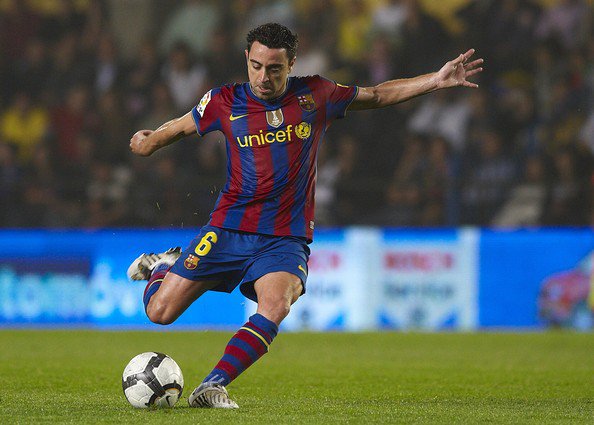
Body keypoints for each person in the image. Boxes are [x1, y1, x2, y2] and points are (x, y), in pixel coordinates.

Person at [127, 22, 483, 409]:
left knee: (276, 306)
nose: (264, 77)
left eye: (275, 69)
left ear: (292, 64)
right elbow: (180, 127)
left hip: (285, 236)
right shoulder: (223, 101)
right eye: (256, 66)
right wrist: (151, 141)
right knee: (159, 312)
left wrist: (435, 80)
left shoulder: (316, 95)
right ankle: (165, 265)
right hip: (228, 228)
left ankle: (212, 385)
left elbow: (378, 94)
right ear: (247, 59)